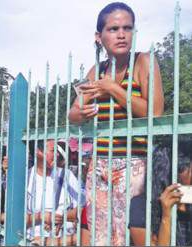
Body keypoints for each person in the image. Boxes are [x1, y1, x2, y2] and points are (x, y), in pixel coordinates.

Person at [68, 2, 164, 245]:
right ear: (99, 37)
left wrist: (112, 89)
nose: (121, 34)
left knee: (130, 234)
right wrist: (83, 113)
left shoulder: (144, 62)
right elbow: (72, 114)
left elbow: (155, 112)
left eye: (127, 28)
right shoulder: (96, 71)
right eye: (113, 29)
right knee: (101, 236)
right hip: (99, 166)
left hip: (134, 167)